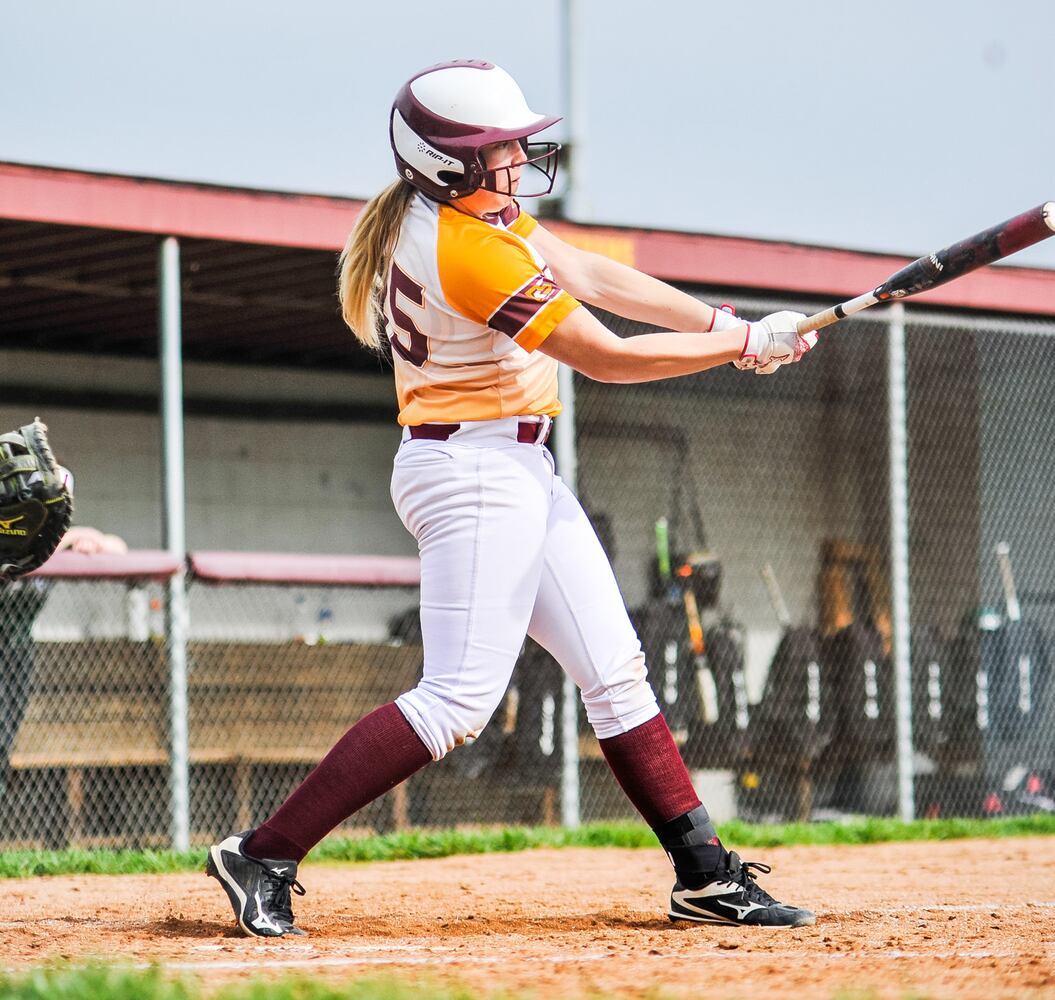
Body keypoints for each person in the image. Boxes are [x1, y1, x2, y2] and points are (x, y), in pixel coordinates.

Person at [205, 59, 817, 938]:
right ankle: (262, 852)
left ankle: (703, 874)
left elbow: (598, 279)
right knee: (456, 700)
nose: (518, 157)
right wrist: (738, 347)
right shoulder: (469, 247)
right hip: (475, 474)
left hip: (511, 468)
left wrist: (730, 329)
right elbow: (601, 351)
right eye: (497, 148)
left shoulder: (467, 216)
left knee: (614, 672)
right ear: (445, 162)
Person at [1, 525, 127, 797]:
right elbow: (25, 554)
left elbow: (119, 548)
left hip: (20, 650)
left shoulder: (51, 539)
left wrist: (89, 538)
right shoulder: (17, 538)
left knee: (6, 736)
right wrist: (68, 539)